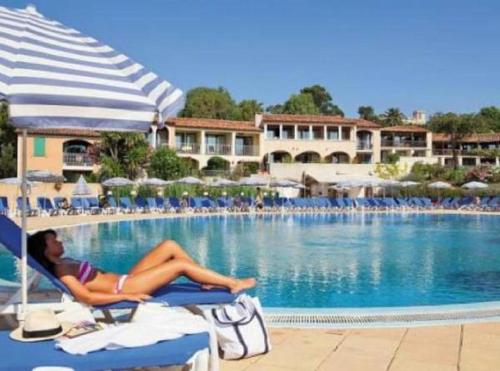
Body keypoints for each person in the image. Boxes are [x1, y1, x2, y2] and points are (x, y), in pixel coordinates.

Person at [28, 230, 256, 306]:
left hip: (126, 278)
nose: (59, 241)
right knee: (179, 265)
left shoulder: (63, 262)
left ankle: (204, 279)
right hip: (125, 287)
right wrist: (128, 295)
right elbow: (85, 297)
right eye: (53, 240)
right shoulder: (62, 270)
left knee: (170, 245)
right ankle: (231, 283)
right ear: (45, 249)